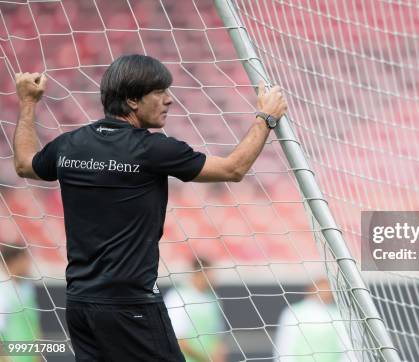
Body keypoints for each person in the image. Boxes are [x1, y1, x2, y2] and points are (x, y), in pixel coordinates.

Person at [12, 54, 287, 361]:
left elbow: (25, 165)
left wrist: (27, 102)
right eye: (159, 93)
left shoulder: (70, 145)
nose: (169, 100)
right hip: (130, 305)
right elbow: (233, 169)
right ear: (132, 100)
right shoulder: (152, 149)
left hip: (80, 304)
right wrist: (266, 118)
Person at [274, 277, 352, 362]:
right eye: (321, 287)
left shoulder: (339, 315)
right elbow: (284, 346)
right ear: (311, 289)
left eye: (328, 288)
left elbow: (347, 349)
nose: (326, 292)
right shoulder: (293, 313)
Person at [164, 258, 226, 362]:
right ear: (198, 273)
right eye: (209, 273)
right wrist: (206, 358)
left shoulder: (213, 299)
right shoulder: (178, 297)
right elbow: (177, 339)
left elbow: (218, 336)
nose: (213, 278)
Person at [0, 245, 41, 362]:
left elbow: (35, 325)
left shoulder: (27, 287)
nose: (29, 263)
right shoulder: (2, 289)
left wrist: (38, 355)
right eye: (25, 259)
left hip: (29, 357)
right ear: (14, 261)